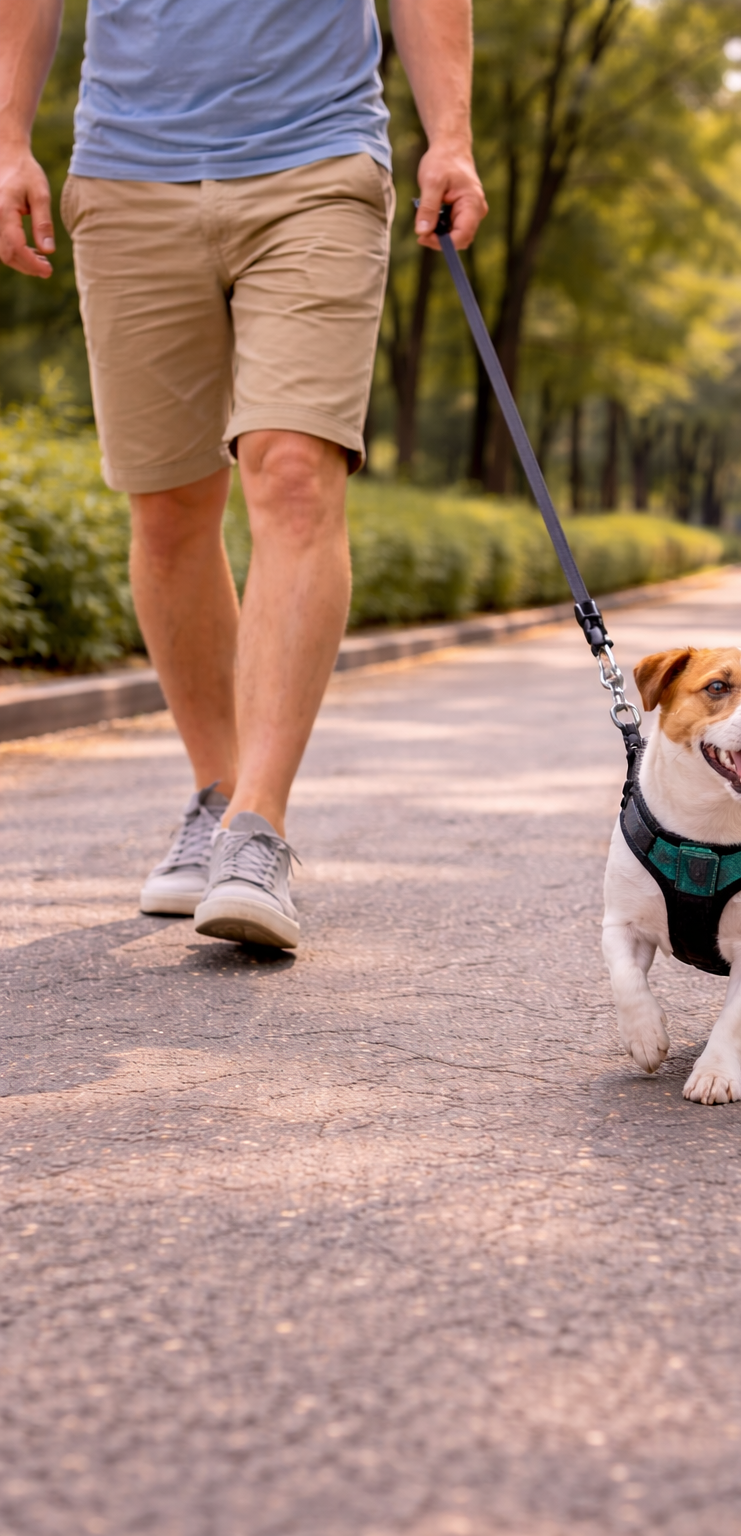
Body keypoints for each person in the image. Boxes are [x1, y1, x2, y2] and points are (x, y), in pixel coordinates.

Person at [0, 0, 487, 950]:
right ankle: (217, 795)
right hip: (126, 171)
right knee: (171, 506)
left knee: (296, 472)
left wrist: (452, 138)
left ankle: (257, 826)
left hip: (317, 161)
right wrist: (9, 138)